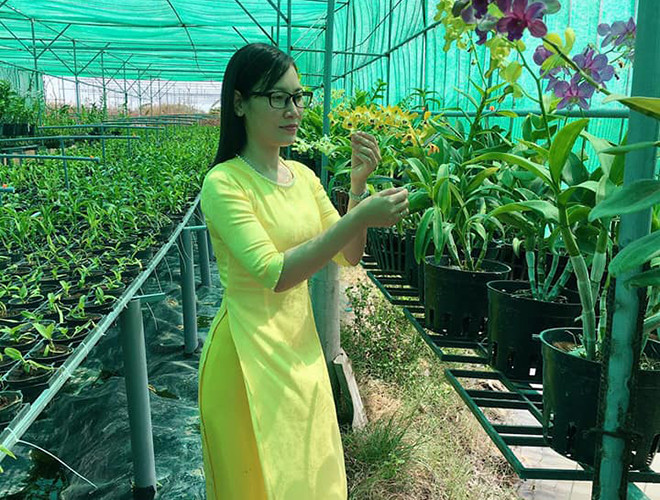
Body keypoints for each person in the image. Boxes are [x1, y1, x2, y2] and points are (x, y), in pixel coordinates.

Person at [198, 43, 409, 500]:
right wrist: (360, 216)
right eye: (277, 97)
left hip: (300, 350)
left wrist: (357, 187)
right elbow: (274, 273)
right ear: (239, 103)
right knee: (251, 481)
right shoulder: (224, 183)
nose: (293, 109)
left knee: (309, 473)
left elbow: (348, 255)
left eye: (298, 96)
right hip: (244, 356)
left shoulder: (304, 177)